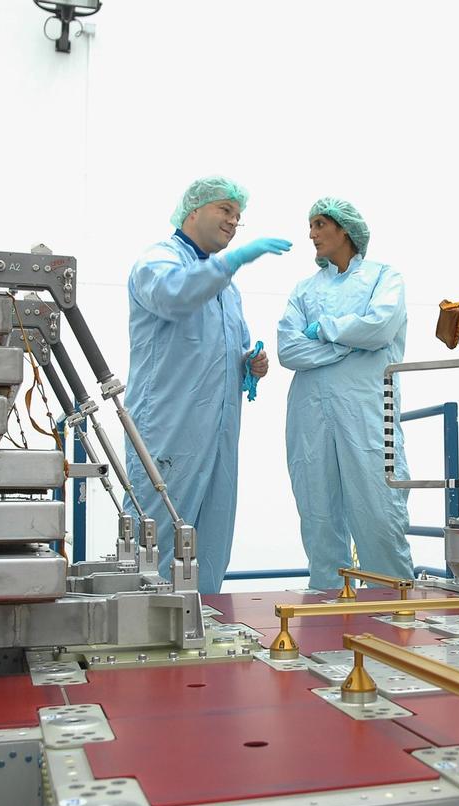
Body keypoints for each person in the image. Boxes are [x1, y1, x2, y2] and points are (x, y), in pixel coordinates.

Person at [124, 176, 291, 594]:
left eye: (238, 216)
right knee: (159, 536)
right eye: (225, 210)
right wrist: (231, 262)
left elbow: (230, 350)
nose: (234, 221)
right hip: (168, 429)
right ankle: (145, 626)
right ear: (193, 211)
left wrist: (250, 364)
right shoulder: (158, 260)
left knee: (211, 541)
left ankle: (205, 622)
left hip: (218, 433)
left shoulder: (227, 291)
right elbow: (173, 296)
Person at [277, 197, 414, 590]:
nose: (311, 234)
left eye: (320, 224)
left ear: (345, 229)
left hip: (366, 412)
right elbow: (288, 349)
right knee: (318, 515)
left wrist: (322, 330)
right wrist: (347, 345)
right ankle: (328, 606)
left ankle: (394, 608)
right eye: (311, 225)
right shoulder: (305, 290)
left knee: (379, 512)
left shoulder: (383, 277)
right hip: (309, 414)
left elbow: (380, 327)